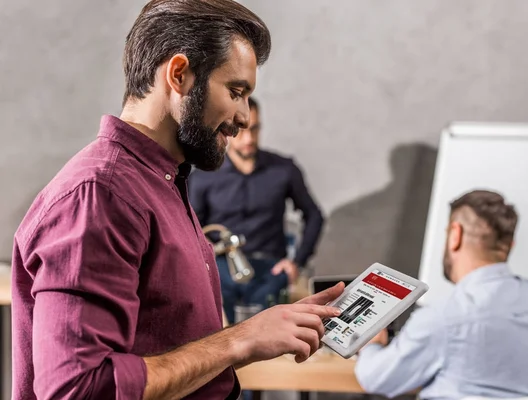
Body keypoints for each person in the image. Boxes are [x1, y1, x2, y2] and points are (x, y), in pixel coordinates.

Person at [11, 1, 343, 399]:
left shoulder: (163, 182)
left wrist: (266, 330)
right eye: (236, 92)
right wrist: (236, 341)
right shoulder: (100, 195)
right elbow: (79, 389)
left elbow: (166, 344)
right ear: (179, 74)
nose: (242, 117)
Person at [355, 190, 528, 399]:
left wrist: (372, 346)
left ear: (455, 234)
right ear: (509, 246)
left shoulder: (446, 315)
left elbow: (375, 379)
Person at [188, 96, 324, 324]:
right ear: (227, 129)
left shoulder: (284, 169)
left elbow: (314, 216)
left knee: (272, 333)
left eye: (256, 129)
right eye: (242, 130)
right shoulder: (203, 177)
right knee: (217, 331)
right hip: (222, 268)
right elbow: (190, 228)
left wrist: (296, 263)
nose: (249, 138)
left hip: (270, 268)